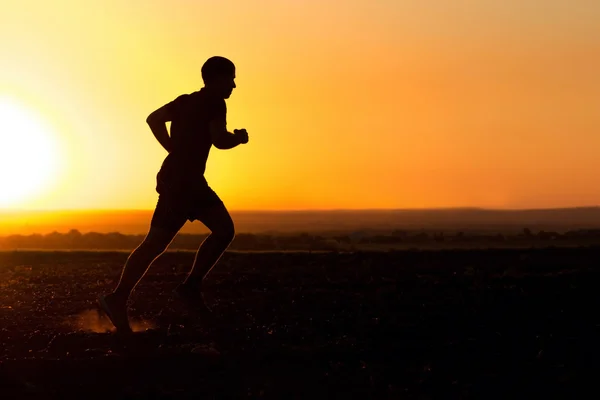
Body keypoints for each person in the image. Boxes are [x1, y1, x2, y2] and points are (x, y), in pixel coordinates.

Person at [98, 56, 249, 333]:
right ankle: (119, 298)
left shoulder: (185, 101)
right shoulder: (215, 103)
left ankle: (187, 287)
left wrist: (172, 149)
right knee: (159, 243)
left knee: (218, 231)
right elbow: (219, 140)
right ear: (216, 79)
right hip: (182, 184)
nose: (234, 85)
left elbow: (153, 119)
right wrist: (239, 138)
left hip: (185, 181)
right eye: (231, 79)